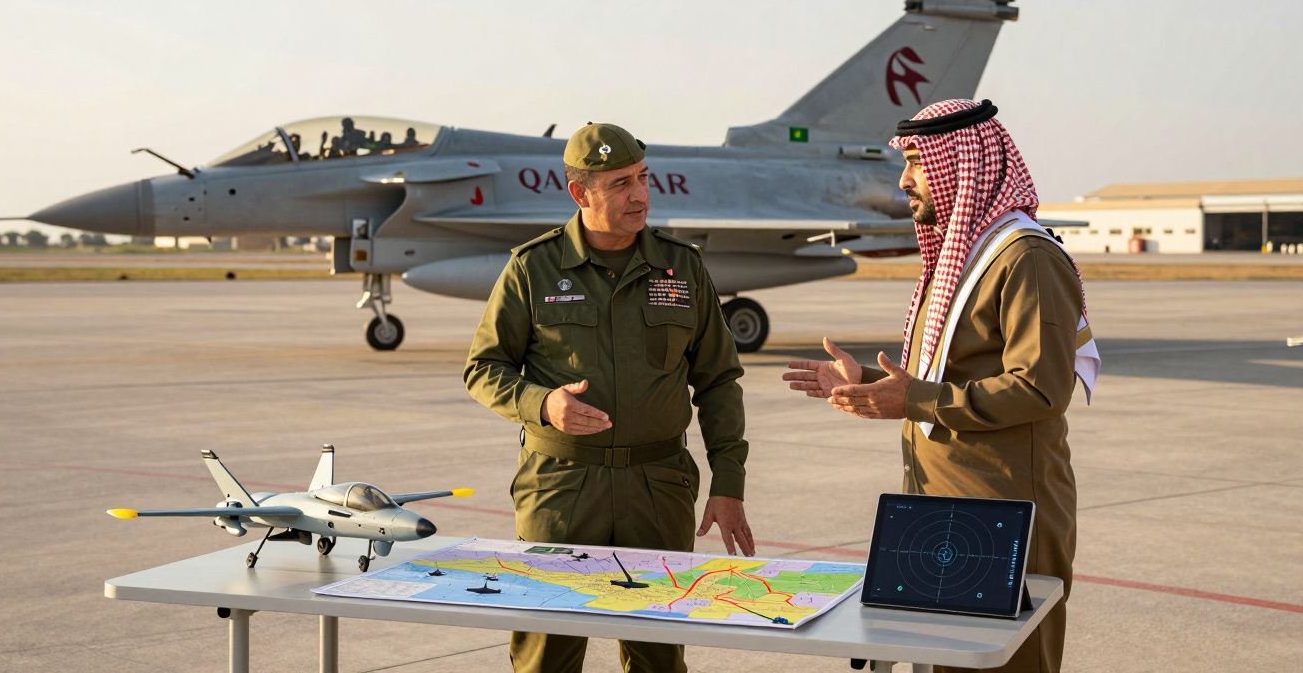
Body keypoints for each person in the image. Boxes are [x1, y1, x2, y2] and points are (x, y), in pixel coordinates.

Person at [782, 99, 1099, 673]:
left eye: (915, 163)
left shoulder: (1025, 259)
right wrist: (872, 385)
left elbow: (1042, 388)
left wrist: (914, 400)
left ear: (965, 164)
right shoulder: (967, 258)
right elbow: (948, 376)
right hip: (942, 511)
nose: (903, 180)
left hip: (1006, 512)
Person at [464, 122, 754, 673]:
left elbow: (718, 380)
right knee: (546, 651)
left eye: (643, 178)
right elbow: (483, 368)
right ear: (580, 193)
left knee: (658, 655)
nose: (639, 195)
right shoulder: (533, 267)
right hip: (562, 489)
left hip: (659, 488)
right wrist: (542, 405)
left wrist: (729, 485)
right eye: (620, 184)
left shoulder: (682, 266)